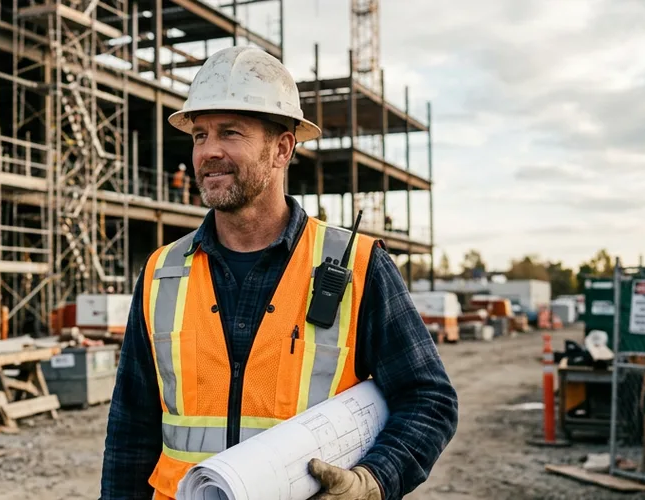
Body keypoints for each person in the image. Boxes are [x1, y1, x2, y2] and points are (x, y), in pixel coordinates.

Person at [100, 46, 458, 500]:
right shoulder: (161, 273)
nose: (209, 151)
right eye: (199, 135)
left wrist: (374, 480)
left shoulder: (358, 265)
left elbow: (429, 400)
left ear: (282, 149)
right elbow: (131, 426)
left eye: (230, 133)